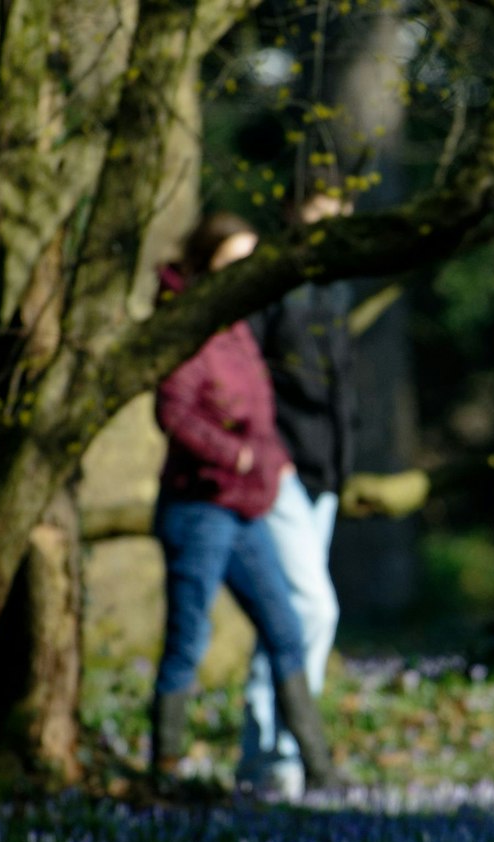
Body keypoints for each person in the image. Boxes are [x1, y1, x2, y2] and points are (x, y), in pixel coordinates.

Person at [150, 212, 338, 794]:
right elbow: (174, 413)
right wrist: (234, 456)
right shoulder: (185, 326)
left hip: (246, 508)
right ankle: (167, 767)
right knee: (189, 636)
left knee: (285, 627)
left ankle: (319, 767)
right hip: (199, 507)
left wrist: (272, 459)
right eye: (235, 262)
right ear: (206, 264)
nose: (247, 274)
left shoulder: (235, 326)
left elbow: (259, 406)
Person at [236, 191, 359, 801]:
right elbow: (250, 379)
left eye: (340, 217)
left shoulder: (336, 286)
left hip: (324, 475)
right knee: (313, 610)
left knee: (282, 616)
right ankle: (286, 752)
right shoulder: (270, 283)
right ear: (291, 212)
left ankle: (261, 757)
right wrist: (268, 456)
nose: (329, 229)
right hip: (280, 469)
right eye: (318, 216)